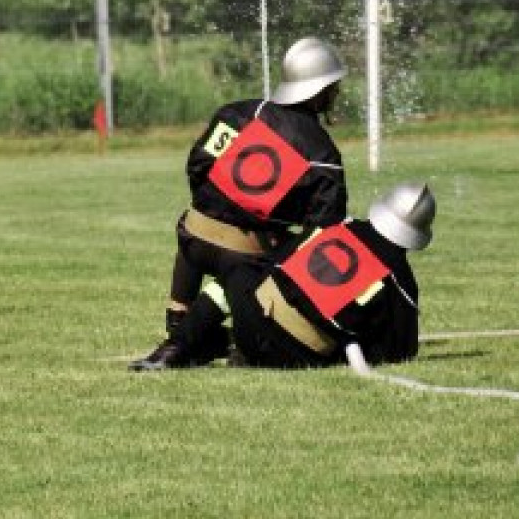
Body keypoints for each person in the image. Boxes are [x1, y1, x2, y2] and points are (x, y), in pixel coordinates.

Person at [129, 36, 349, 371]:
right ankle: (233, 340)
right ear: (320, 91)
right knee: (271, 256)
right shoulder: (323, 155)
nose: (336, 93)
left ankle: (179, 317)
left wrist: (217, 206)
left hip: (193, 236)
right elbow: (322, 234)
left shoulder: (238, 113)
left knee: (197, 222)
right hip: (241, 258)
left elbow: (197, 165)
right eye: (333, 86)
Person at [147, 181, 436, 370]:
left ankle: (178, 344)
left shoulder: (337, 226)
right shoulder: (401, 282)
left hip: (254, 319)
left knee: (238, 273)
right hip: (295, 356)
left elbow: (274, 264)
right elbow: (400, 354)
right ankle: (235, 348)